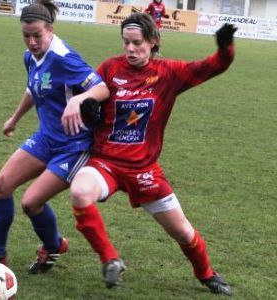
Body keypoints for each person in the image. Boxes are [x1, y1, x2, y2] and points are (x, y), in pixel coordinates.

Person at [62, 13, 236, 295]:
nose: (130, 49)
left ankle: (206, 273)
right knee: (80, 192)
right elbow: (87, 97)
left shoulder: (169, 73)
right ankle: (110, 259)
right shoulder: (110, 68)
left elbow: (213, 67)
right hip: (105, 163)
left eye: (137, 43)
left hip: (144, 170)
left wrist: (226, 48)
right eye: (126, 43)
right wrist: (88, 108)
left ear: (153, 42)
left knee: (182, 232)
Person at [0, 0, 109, 274]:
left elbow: (101, 88)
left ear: (50, 30)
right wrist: (15, 118)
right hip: (46, 137)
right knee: (1, 186)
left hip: (74, 146)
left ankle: (53, 245)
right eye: (26, 36)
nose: (31, 42)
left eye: (37, 35)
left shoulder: (64, 58)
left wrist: (79, 100)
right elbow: (33, 89)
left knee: (31, 202)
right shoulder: (30, 57)